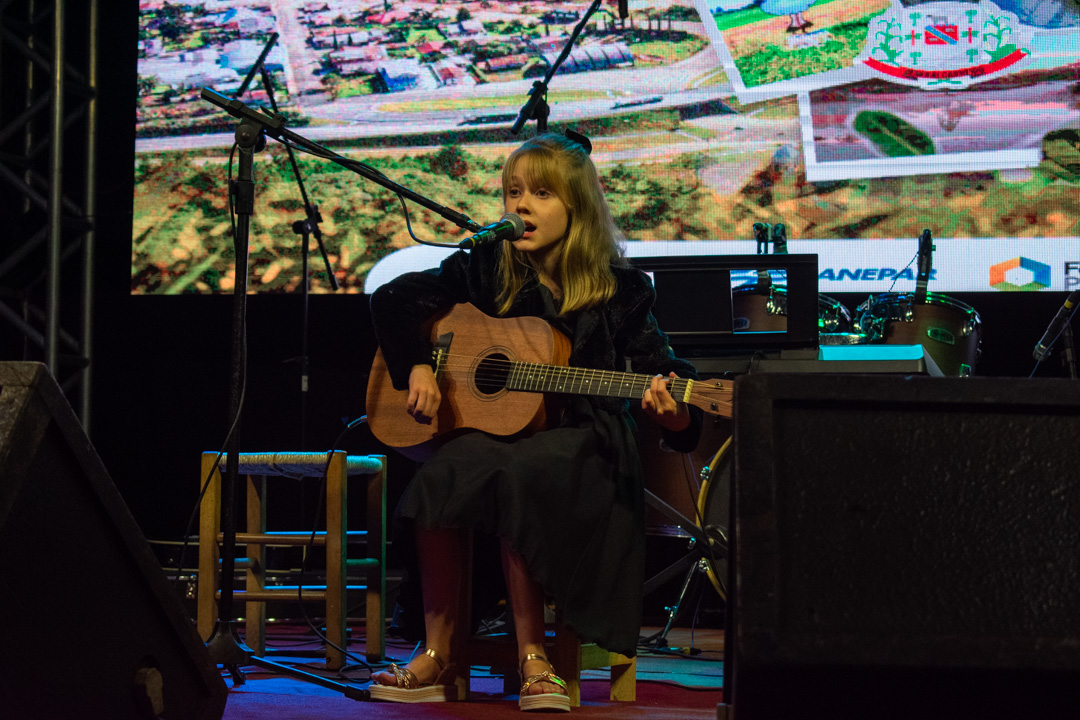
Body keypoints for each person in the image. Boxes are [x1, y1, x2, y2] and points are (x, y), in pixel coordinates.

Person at [367, 133, 702, 711]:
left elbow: (664, 371)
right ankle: (437, 653)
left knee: (516, 472)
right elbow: (393, 298)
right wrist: (419, 363)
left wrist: (676, 416)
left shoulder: (622, 290)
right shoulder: (485, 267)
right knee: (446, 469)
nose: (520, 205)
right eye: (513, 191)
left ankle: (534, 654)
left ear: (577, 206)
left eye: (540, 193)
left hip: (586, 442)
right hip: (502, 439)